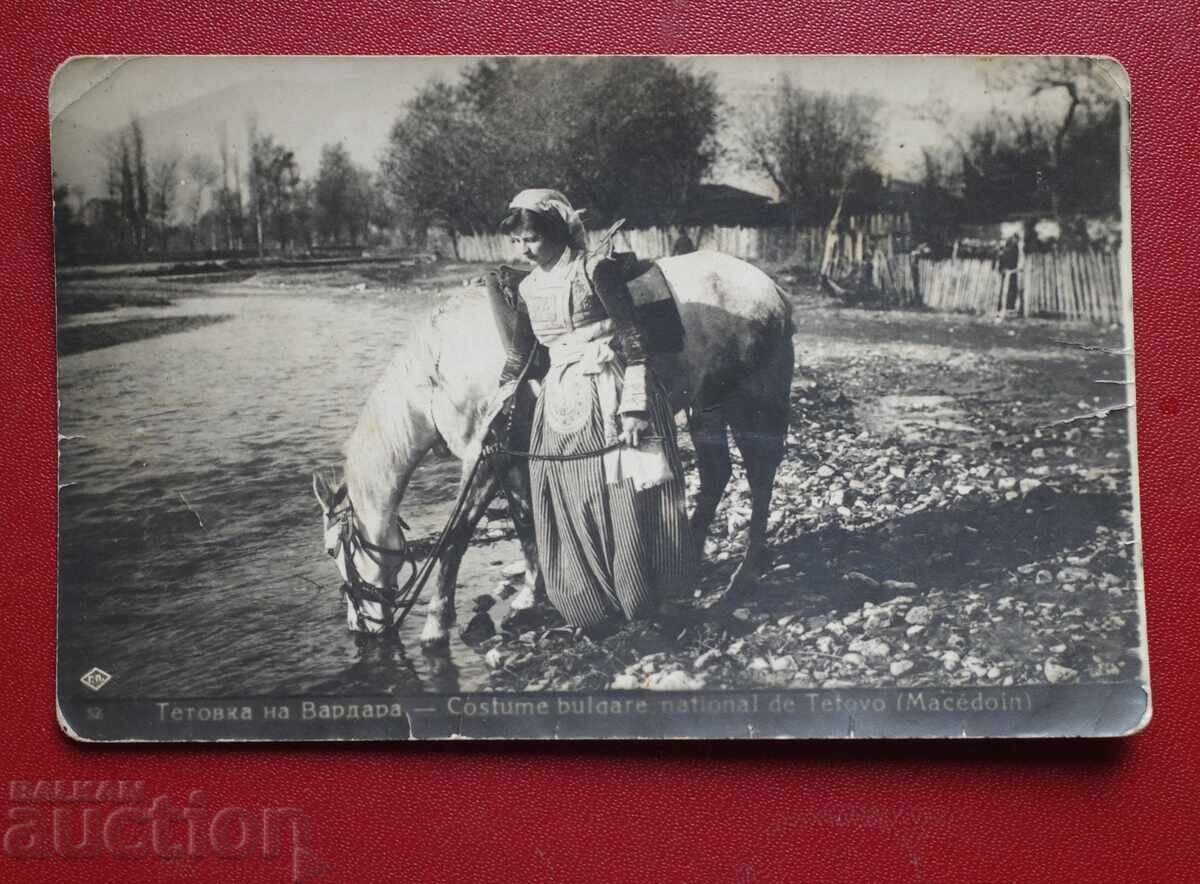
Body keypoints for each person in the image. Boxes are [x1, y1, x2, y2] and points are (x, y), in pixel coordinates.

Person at [487, 189, 691, 631]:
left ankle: (649, 596)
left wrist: (635, 407)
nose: (524, 249)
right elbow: (522, 357)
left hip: (611, 390)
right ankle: (594, 603)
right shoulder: (527, 288)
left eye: (532, 239)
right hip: (559, 404)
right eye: (517, 242)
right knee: (573, 494)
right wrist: (499, 398)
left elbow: (633, 337)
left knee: (628, 493)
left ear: (557, 232)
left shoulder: (593, 269)